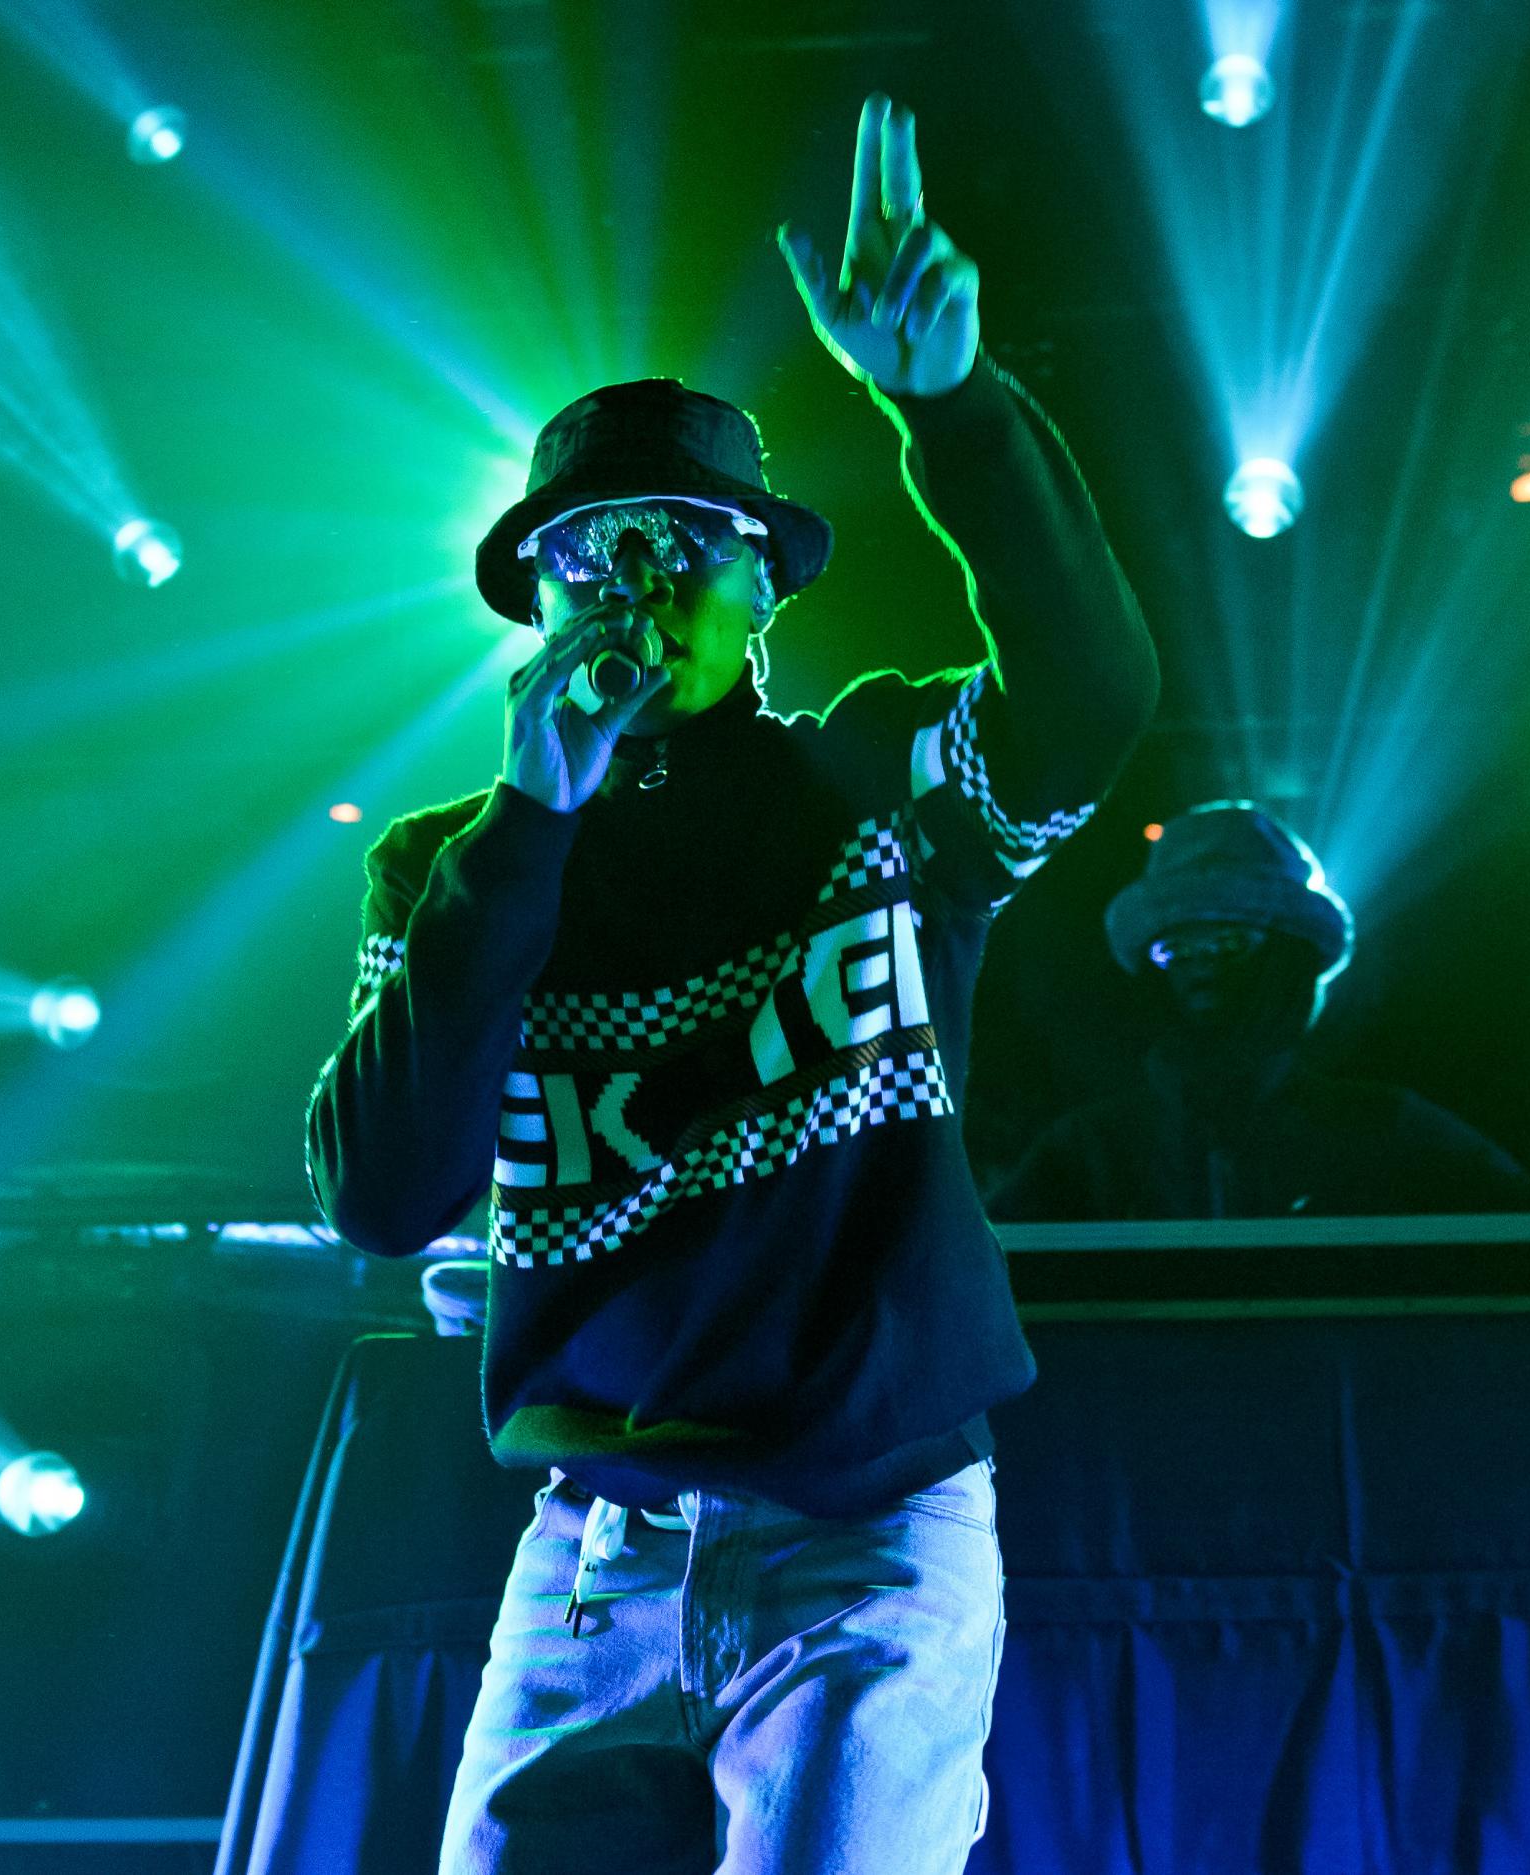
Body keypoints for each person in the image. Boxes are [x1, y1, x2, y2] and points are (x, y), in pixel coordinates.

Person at [305, 94, 1157, 1875]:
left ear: (764, 580)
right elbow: (389, 1198)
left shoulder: (873, 787)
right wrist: (529, 834)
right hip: (593, 1546)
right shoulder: (451, 868)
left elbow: (1091, 693)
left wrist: (955, 409)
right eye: (589, 548)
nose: (636, 580)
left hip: (868, 1529)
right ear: (534, 594)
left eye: (686, 537)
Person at [984, 800, 1530, 1220]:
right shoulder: (1089, 1152)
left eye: (1229, 941)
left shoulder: (1384, 1130)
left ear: (1290, 966)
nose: (1200, 964)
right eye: (1175, 946)